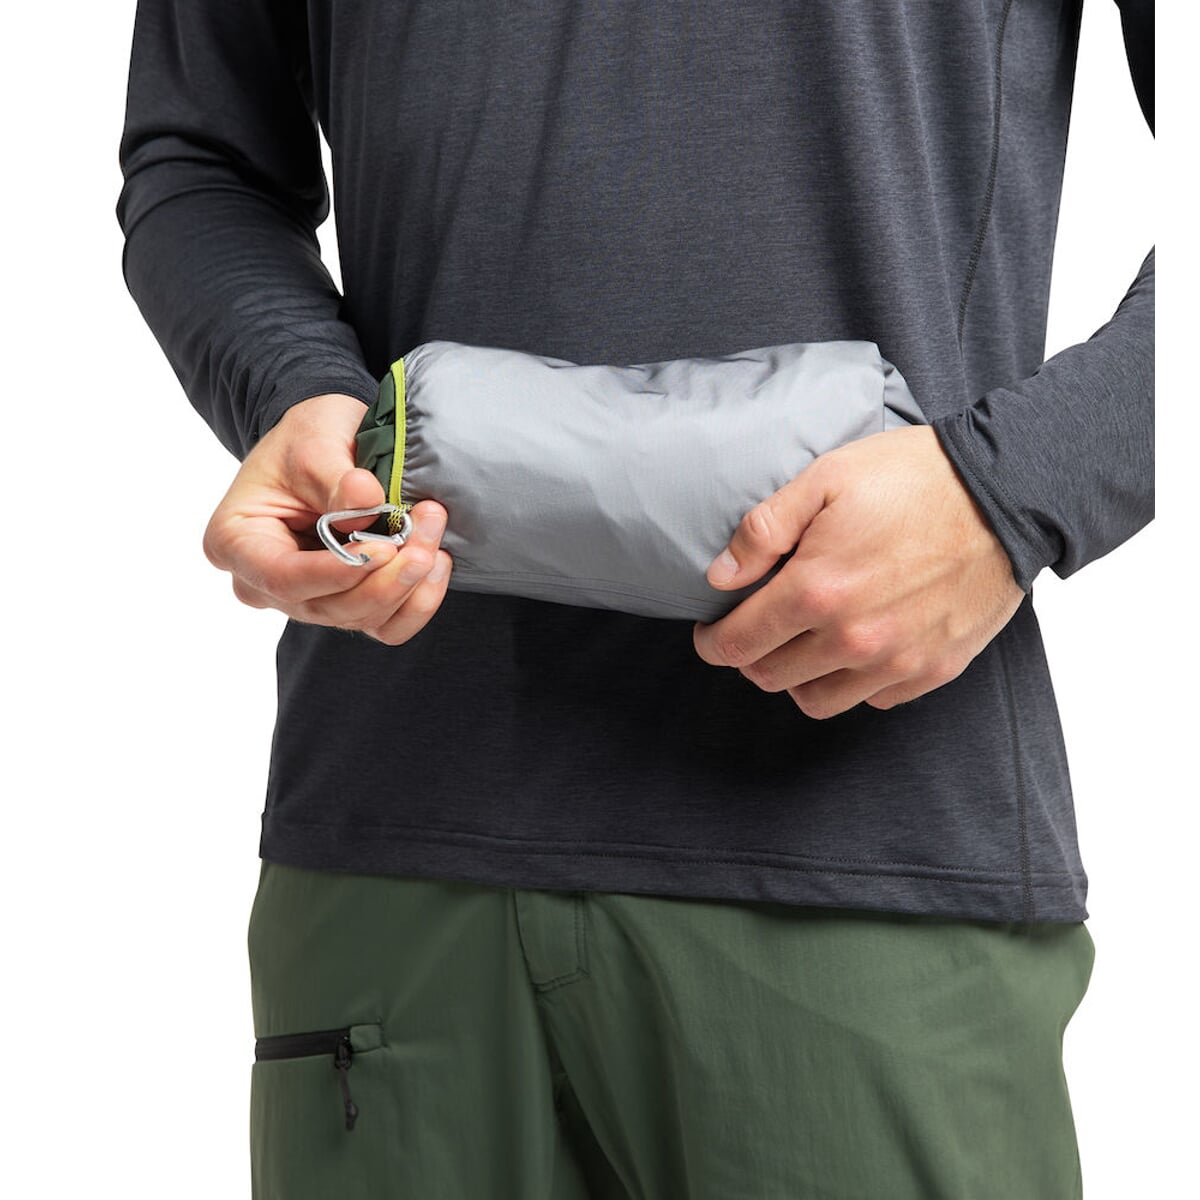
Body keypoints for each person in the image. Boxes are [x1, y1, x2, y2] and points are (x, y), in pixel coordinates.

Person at [117, 1, 1153, 1195]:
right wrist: (297, 391)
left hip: (864, 850)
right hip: (394, 856)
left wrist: (1010, 491)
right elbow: (202, 160)